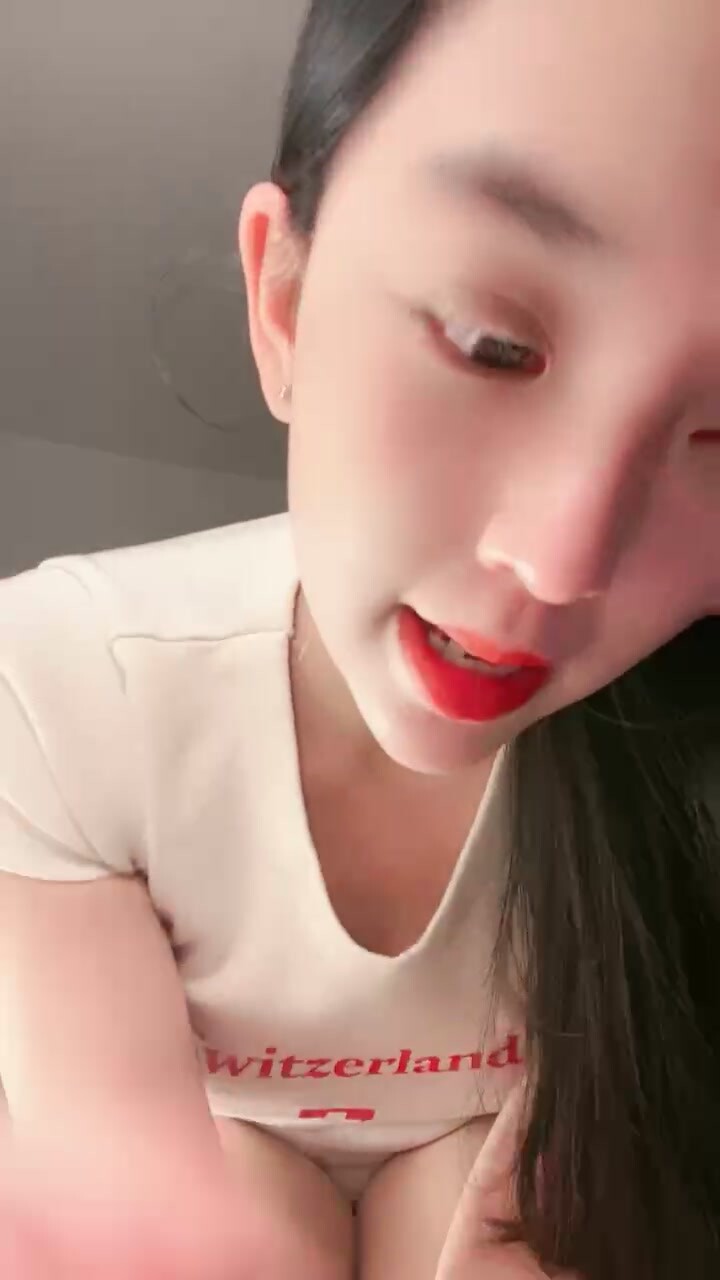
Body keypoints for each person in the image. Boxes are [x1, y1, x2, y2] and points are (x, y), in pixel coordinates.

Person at [0, 0, 718, 1276]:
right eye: (493, 344)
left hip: (499, 1150)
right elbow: (136, 1217)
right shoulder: (65, 680)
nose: (561, 562)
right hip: (224, 1137)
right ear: (283, 297)